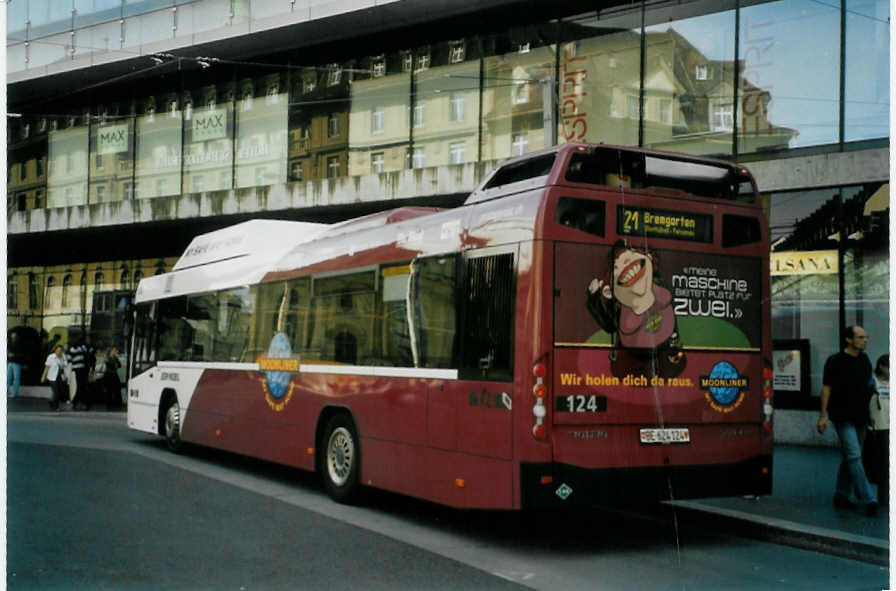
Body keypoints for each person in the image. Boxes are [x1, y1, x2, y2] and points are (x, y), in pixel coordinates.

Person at [817, 326, 878, 515]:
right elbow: (826, 388)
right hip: (842, 415)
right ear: (849, 340)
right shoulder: (835, 361)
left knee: (850, 457)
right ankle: (869, 498)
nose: (865, 340)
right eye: (860, 337)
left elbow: (869, 387)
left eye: (866, 337)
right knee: (854, 456)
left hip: (861, 415)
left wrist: (872, 415)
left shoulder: (865, 360)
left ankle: (841, 494)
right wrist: (822, 415)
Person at [864, 354, 889, 506]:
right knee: (882, 463)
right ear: (882, 367)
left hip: (888, 425)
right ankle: (883, 498)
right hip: (877, 428)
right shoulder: (871, 382)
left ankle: (884, 496)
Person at [68, 339, 94, 411]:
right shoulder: (80, 348)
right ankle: (80, 402)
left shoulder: (73, 349)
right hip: (82, 369)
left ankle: (77, 401)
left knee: (81, 386)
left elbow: (70, 360)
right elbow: (89, 352)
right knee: (82, 386)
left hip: (78, 369)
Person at [40, 345, 68, 411]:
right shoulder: (51, 357)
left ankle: (52, 402)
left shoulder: (63, 356)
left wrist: (61, 359)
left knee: (59, 391)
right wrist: (43, 376)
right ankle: (56, 407)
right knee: (56, 391)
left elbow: (65, 366)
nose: (59, 352)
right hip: (52, 376)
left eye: (60, 351)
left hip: (60, 377)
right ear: (55, 350)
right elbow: (47, 367)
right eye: (58, 350)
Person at [7, 331, 25, 398]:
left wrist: (14, 355)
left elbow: (22, 354)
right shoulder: (10, 343)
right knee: (8, 377)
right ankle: (6, 391)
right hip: (10, 362)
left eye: (14, 335)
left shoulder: (20, 344)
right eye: (12, 335)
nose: (13, 336)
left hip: (17, 363)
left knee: (16, 378)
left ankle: (14, 393)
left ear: (17, 336)